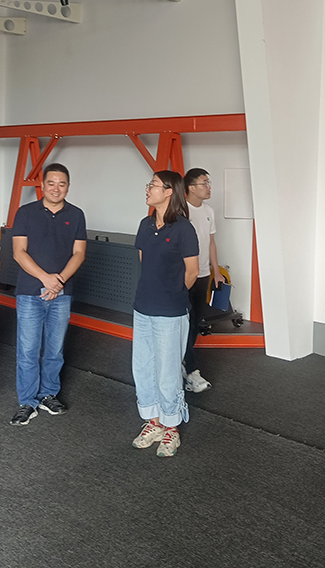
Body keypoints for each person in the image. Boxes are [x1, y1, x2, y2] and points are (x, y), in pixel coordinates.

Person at [8, 163, 87, 425]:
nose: (56, 188)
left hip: (62, 294)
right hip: (30, 292)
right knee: (28, 350)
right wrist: (46, 279)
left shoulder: (76, 215)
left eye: (62, 184)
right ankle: (27, 401)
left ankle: (48, 394)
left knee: (55, 349)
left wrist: (59, 282)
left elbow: (79, 253)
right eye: (51, 183)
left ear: (68, 187)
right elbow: (19, 252)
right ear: (42, 185)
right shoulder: (25, 213)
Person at [130, 170, 199, 458]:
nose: (148, 189)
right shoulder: (145, 225)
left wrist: (172, 294)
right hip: (143, 308)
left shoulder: (184, 229)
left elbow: (192, 272)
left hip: (170, 311)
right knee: (143, 368)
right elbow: (144, 263)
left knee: (167, 371)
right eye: (149, 184)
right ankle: (154, 422)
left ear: (169, 191)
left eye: (154, 185)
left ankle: (171, 427)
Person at [182, 167, 225, 393]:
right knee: (182, 322)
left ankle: (184, 361)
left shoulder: (209, 210)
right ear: (191, 188)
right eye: (204, 183)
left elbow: (211, 243)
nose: (208, 187)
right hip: (184, 275)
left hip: (203, 275)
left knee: (195, 321)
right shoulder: (180, 210)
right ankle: (190, 369)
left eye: (209, 183)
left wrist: (216, 271)